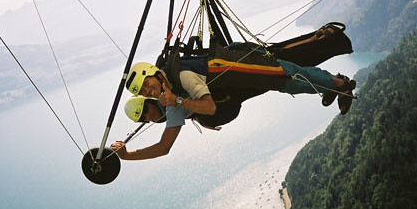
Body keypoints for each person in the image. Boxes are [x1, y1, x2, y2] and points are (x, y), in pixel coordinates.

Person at [111, 40, 356, 160]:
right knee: (289, 84)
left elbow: (208, 106)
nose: (150, 91)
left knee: (287, 74)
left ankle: (340, 84)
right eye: (145, 92)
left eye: (148, 85)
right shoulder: (168, 100)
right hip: (237, 85)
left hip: (241, 66)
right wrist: (128, 155)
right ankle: (330, 87)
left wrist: (179, 103)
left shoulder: (181, 78)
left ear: (151, 73)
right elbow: (164, 147)